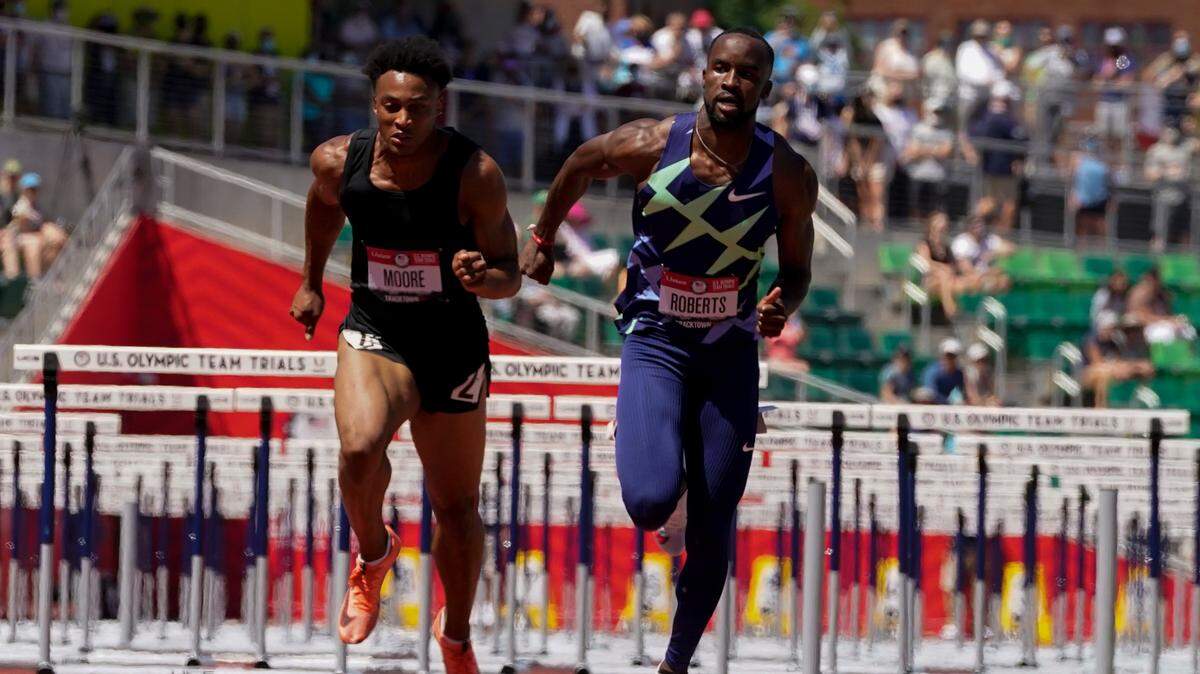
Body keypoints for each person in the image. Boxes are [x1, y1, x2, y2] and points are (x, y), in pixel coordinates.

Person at [518, 28, 816, 673]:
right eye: (720, 69)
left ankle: (675, 662)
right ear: (702, 75)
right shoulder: (652, 144)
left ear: (766, 88)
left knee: (716, 522)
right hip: (656, 336)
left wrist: (781, 305)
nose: (730, 82)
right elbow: (578, 161)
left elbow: (796, 270)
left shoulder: (788, 173)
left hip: (729, 347)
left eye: (746, 74)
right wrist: (542, 237)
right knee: (651, 501)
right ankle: (650, 437)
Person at [289, 37, 521, 674]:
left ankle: (457, 633)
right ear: (373, 104)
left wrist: (484, 276)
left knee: (456, 508)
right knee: (360, 448)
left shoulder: (475, 174)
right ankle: (374, 553)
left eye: (416, 109)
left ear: (439, 108)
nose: (401, 120)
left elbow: (511, 273)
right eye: (389, 107)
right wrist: (311, 281)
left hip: (452, 341)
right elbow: (322, 211)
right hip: (376, 329)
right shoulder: (339, 162)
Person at [962, 82, 1026, 230]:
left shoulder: (984, 117)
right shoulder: (1003, 118)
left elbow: (970, 134)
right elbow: (1022, 138)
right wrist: (1019, 159)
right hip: (1002, 170)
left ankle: (972, 227)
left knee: (990, 201)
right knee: (1007, 204)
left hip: (988, 167)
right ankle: (999, 235)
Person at [1082, 310, 1154, 408]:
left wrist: (1126, 367)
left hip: (1110, 370)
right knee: (1104, 374)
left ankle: (1138, 405)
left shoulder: (1115, 342)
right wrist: (1115, 367)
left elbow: (1118, 361)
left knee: (1137, 370)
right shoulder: (1092, 341)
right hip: (1088, 373)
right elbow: (1097, 363)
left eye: (1113, 327)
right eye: (1109, 327)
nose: (1111, 330)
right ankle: (1100, 407)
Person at [3, 173, 67, 279]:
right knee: (34, 244)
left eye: (34, 189)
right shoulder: (22, 205)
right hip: (19, 237)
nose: (32, 192)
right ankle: (34, 281)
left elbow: (42, 223)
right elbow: (23, 227)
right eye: (30, 189)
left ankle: (53, 276)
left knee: (56, 239)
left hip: (34, 235)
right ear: (24, 190)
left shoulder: (37, 206)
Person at [1144, 125, 1195, 248]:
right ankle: (1157, 261)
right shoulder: (1156, 150)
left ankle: (1185, 262)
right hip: (1164, 196)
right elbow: (1149, 175)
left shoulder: (1185, 147)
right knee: (1160, 233)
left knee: (1185, 233)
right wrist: (1168, 171)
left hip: (1184, 197)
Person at [903, 104, 955, 217]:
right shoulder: (918, 129)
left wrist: (923, 149)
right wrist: (935, 149)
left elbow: (945, 152)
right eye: (935, 112)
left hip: (938, 177)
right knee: (916, 206)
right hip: (918, 175)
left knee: (936, 209)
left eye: (939, 113)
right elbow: (912, 151)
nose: (937, 116)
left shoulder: (947, 132)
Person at [1093, 27, 1137, 157]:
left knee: (1121, 136)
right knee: (1103, 135)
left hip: (1120, 103)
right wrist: (1107, 75)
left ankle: (1121, 167)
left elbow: (1126, 83)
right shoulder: (1102, 59)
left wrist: (1110, 79)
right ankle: (1106, 164)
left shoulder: (1124, 59)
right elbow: (1096, 83)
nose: (1113, 48)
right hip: (1104, 102)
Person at [915, 211, 964, 317]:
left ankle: (969, 314)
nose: (943, 223)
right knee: (943, 275)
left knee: (960, 282)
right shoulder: (924, 243)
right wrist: (943, 268)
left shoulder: (946, 246)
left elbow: (953, 266)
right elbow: (926, 263)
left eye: (944, 220)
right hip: (928, 281)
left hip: (945, 281)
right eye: (940, 220)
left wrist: (950, 269)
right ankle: (950, 310)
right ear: (932, 224)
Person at [956, 20, 1003, 126]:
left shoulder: (992, 49)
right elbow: (962, 73)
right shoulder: (966, 48)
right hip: (968, 96)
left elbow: (998, 70)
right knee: (964, 126)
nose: (981, 38)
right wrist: (981, 81)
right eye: (978, 35)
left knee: (983, 127)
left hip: (987, 96)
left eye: (984, 36)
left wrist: (995, 82)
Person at [1070, 136, 1111, 238]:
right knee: (1083, 227)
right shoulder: (1080, 163)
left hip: (1099, 199)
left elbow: (1109, 182)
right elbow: (1074, 180)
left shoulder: (1102, 164)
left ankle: (1102, 252)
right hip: (1083, 200)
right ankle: (1081, 251)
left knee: (1099, 226)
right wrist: (1074, 196)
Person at [922, 338, 967, 404]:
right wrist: (949, 402)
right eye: (947, 356)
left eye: (952, 356)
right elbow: (931, 394)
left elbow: (964, 392)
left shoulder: (959, 374)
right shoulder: (932, 372)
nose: (949, 359)